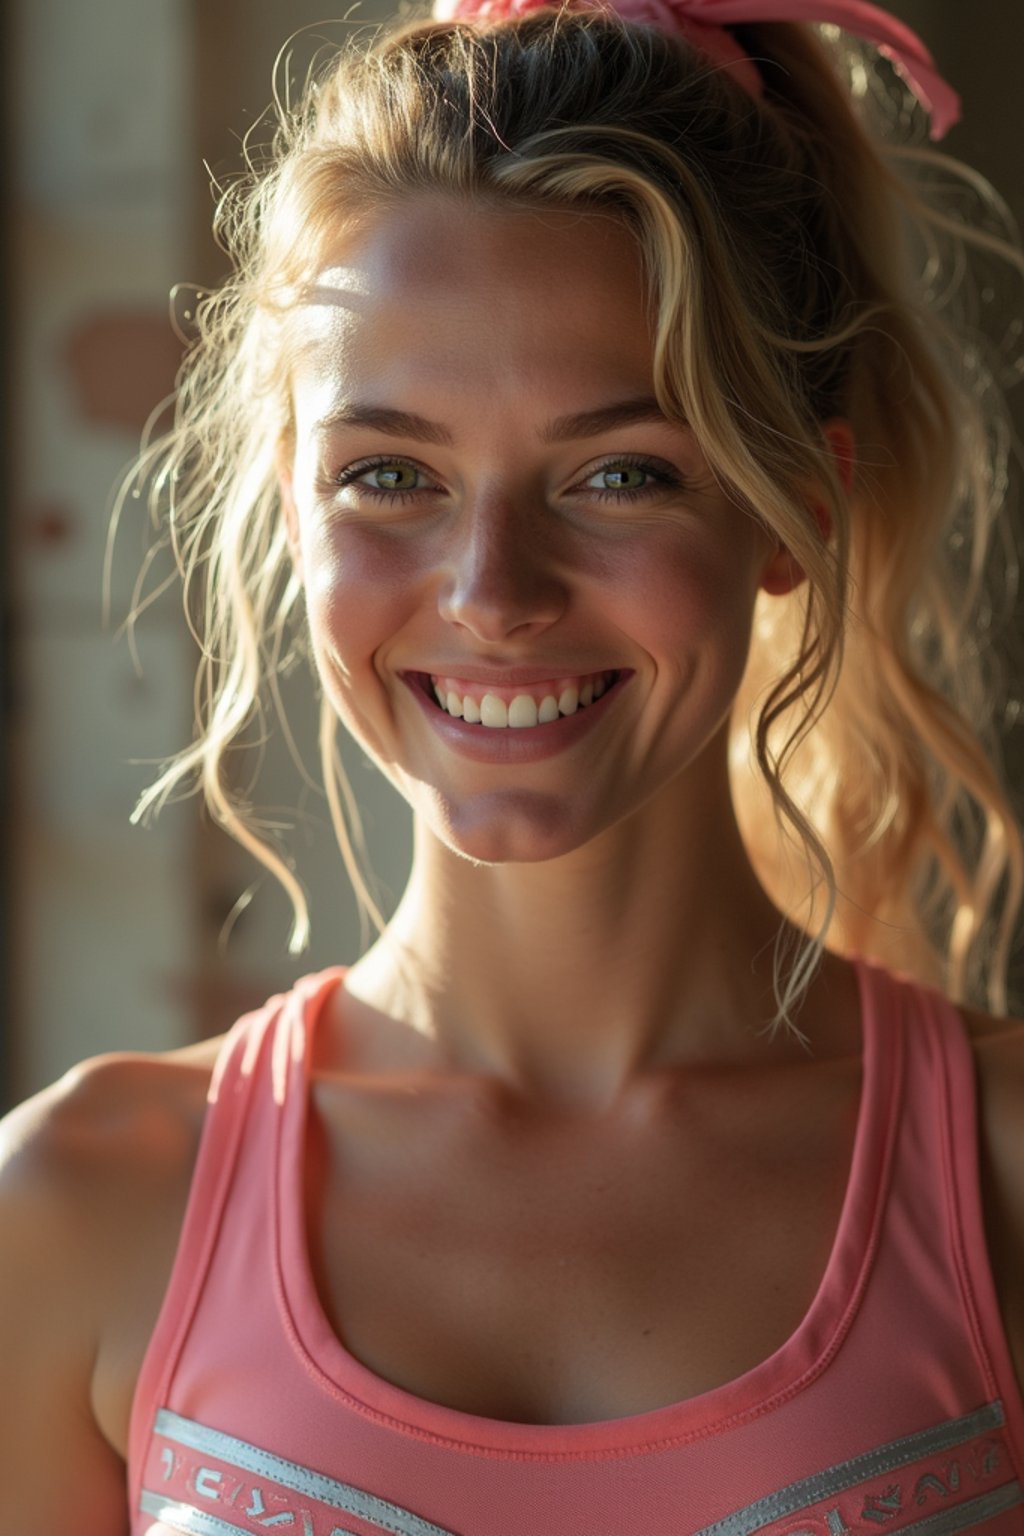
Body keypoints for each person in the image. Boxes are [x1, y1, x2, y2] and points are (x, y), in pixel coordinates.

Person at [4, 0, 1024, 1530]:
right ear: (294, 508)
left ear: (799, 503)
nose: (493, 590)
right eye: (390, 475)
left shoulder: (1003, 1183)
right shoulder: (74, 1210)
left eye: (620, 471)